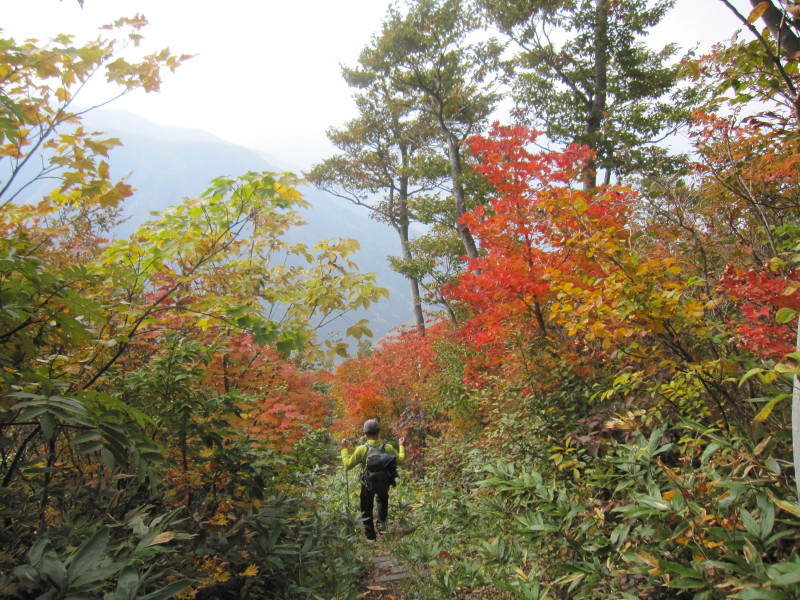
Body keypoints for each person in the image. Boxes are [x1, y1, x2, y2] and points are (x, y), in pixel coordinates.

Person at [340, 419, 406, 540]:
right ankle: (382, 529)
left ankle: (370, 535)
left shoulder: (361, 449)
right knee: (382, 502)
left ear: (365, 433)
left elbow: (347, 465)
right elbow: (401, 461)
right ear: (378, 432)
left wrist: (344, 449)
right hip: (384, 481)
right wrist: (401, 446)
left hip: (367, 482)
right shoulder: (388, 447)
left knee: (366, 506)